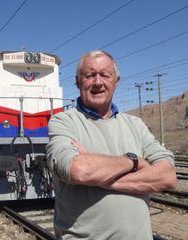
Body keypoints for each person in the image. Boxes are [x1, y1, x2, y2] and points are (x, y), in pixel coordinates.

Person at [46, 50, 177, 240]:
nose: (98, 82)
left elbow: (168, 177)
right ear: (77, 82)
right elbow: (79, 170)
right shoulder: (63, 122)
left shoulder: (135, 125)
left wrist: (105, 180)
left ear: (116, 81)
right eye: (89, 75)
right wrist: (134, 161)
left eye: (105, 75)